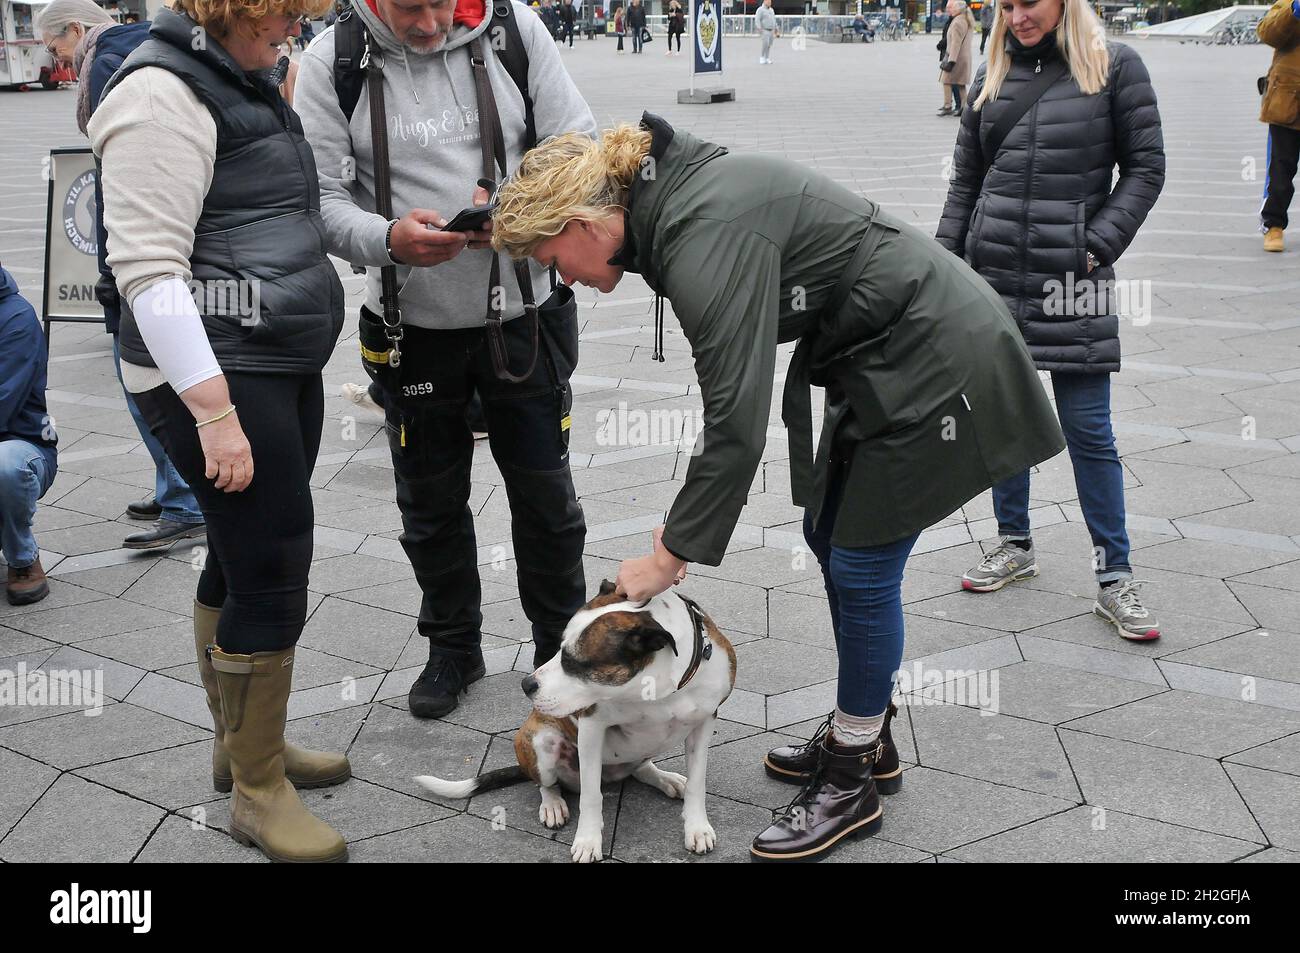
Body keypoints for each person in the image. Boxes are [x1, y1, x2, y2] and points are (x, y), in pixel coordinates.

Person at [491, 115, 1065, 862]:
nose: (560, 275)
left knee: (861, 564)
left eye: (551, 258)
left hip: (936, 359)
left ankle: (853, 777)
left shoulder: (700, 236)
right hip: (887, 354)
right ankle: (869, 735)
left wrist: (668, 555)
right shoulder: (674, 205)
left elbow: (736, 421)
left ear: (583, 223)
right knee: (831, 537)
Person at [90, 0, 352, 863]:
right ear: (236, 8)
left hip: (264, 354)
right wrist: (216, 414)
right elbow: (149, 272)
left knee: (242, 551)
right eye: (284, 15)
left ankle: (246, 749)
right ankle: (257, 791)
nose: (296, 31)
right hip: (214, 368)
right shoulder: (161, 92)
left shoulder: (235, 73)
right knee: (274, 563)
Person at [295, 0, 596, 719]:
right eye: (408, 9)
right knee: (428, 504)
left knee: (548, 504)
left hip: (523, 318)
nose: (429, 24)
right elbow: (318, 199)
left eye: (440, 4)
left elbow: (577, 146)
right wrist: (387, 238)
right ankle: (453, 644)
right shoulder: (332, 60)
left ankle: (561, 648)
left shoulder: (515, 32)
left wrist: (523, 210)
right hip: (412, 326)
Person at [936, 0, 1165, 640]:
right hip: (995, 277)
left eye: (1028, 3)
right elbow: (966, 181)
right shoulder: (990, 75)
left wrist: (1096, 244)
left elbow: (1147, 168)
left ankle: (1114, 576)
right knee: (1005, 420)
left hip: (1076, 280)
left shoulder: (1116, 67)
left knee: (1090, 430)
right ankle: (1015, 542)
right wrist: (943, 263)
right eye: (1005, 6)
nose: (1017, 16)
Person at [37, 0, 207, 553]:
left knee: (143, 378)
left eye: (53, 45)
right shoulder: (126, 47)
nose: (56, 58)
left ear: (75, 30)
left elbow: (122, 173)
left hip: (136, 255)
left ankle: (184, 497)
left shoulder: (110, 58)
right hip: (153, 250)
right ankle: (173, 486)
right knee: (148, 374)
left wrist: (117, 270)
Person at [1, 265, 58, 607]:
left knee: (5, 466)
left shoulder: (16, 317)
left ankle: (23, 559)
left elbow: (3, 403)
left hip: (22, 446)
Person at [1257, 0, 1300, 253]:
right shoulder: (1287, 3)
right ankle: (1273, 226)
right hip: (1287, 101)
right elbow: (1267, 33)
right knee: (1280, 171)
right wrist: (1293, 11)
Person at [937, 0, 973, 116]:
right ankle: (964, 107)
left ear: (959, 10)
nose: (950, 10)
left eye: (953, 8)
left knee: (946, 80)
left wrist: (951, 60)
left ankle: (948, 106)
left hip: (956, 57)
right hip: (963, 57)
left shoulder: (958, 22)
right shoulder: (964, 19)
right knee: (960, 83)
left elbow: (955, 43)